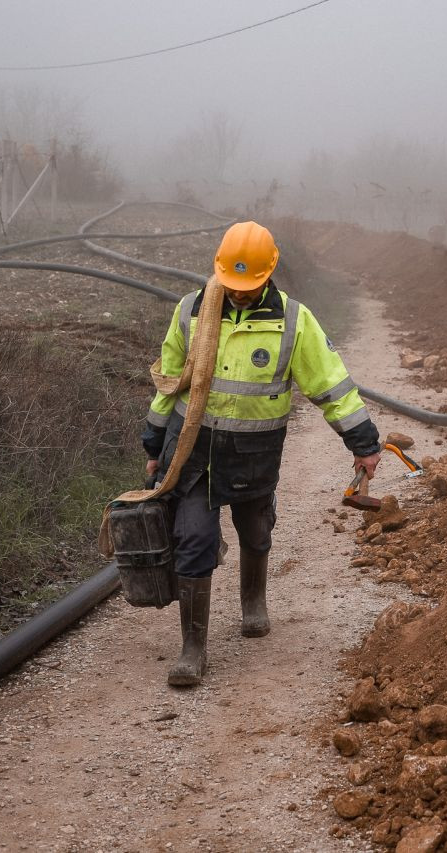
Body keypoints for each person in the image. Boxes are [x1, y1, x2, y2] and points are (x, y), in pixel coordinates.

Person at [141, 221, 381, 687]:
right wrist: (154, 445)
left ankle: (253, 600)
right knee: (193, 541)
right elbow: (169, 383)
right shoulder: (191, 311)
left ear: (269, 274)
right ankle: (193, 649)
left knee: (255, 532)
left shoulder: (293, 321)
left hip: (254, 455)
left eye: (248, 286)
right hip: (193, 454)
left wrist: (364, 443)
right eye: (232, 284)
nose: (239, 293)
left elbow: (332, 387)